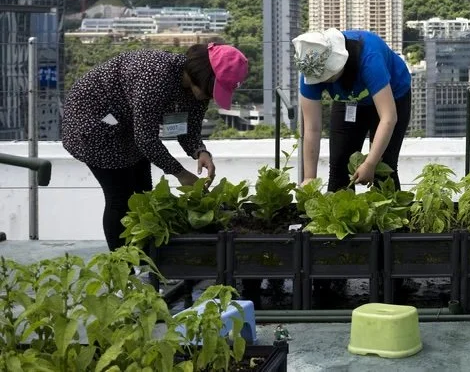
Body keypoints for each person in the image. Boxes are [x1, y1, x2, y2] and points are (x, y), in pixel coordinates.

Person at [61, 43, 248, 251]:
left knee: (143, 193)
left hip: (128, 125)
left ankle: (144, 257)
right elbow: (146, 139)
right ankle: (122, 262)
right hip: (93, 121)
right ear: (201, 76)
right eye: (211, 91)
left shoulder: (198, 90)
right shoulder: (156, 76)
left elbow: (187, 127)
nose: (210, 97)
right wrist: (181, 173)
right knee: (121, 197)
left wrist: (200, 151)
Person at [293, 28, 411, 191]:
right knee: (339, 168)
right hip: (349, 100)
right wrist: (309, 178)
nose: (325, 81)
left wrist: (370, 163)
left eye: (329, 76)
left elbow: (388, 118)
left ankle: (389, 206)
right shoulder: (311, 68)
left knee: (383, 169)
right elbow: (312, 128)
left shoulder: (369, 59)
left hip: (392, 95)